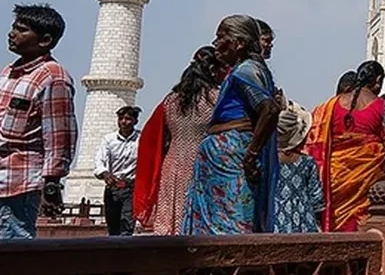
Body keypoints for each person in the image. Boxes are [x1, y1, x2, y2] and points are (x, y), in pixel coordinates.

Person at [0, 4, 77, 239]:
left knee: (12, 248)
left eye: (21, 29)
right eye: (14, 27)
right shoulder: (8, 72)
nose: (12, 33)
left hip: (19, 181)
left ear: (44, 40)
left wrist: (52, 183)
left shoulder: (53, 77)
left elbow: (58, 137)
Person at [182, 15, 281, 235]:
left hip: (231, 155)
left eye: (221, 37)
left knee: (230, 225)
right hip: (228, 155)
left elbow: (270, 109)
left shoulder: (245, 71)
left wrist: (251, 154)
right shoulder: (249, 69)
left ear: (239, 43)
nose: (216, 44)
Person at [134, 46, 223, 235]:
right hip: (202, 164)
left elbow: (155, 136)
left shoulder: (172, 100)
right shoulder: (216, 98)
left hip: (172, 165)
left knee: (170, 220)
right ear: (214, 70)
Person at [309, 62, 385, 232]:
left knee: (335, 221)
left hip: (335, 176)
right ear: (377, 81)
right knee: (361, 219)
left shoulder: (328, 106)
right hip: (368, 178)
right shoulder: (381, 106)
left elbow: (312, 138)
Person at [272, 101, 324, 233]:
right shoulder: (307, 163)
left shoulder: (268, 163)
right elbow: (316, 198)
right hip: (304, 222)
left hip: (273, 220)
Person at [94, 106, 141, 236]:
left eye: (128, 119)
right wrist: (105, 173)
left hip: (131, 187)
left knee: (127, 225)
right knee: (113, 227)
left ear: (135, 121)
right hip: (113, 187)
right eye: (121, 118)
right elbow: (99, 161)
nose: (123, 122)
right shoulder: (109, 140)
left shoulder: (141, 139)